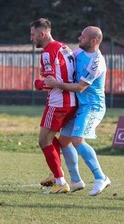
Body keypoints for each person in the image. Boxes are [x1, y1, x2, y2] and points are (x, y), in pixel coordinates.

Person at [44, 26, 111, 196]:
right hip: (78, 106)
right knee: (64, 141)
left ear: (94, 41)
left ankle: (100, 177)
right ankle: (76, 181)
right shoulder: (78, 53)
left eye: (83, 36)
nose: (79, 38)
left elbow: (81, 87)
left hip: (92, 107)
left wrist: (56, 84)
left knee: (77, 139)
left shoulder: (97, 62)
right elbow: (64, 66)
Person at [30, 18, 78, 194]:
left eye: (33, 34)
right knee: (51, 138)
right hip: (71, 101)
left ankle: (60, 181)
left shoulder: (48, 52)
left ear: (42, 33)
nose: (31, 38)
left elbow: (50, 83)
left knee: (44, 140)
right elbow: (64, 73)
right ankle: (55, 173)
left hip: (58, 102)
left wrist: (37, 83)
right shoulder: (63, 47)